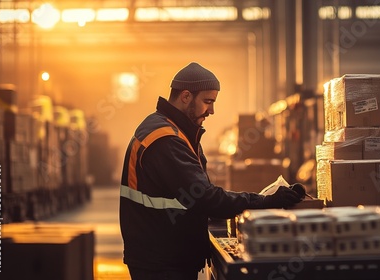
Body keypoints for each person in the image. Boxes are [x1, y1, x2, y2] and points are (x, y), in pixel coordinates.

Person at [119, 62, 303, 280]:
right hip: (161, 263)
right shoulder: (165, 139)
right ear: (186, 96)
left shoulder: (174, 130)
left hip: (164, 254)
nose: (212, 111)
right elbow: (203, 196)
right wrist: (264, 201)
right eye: (208, 102)